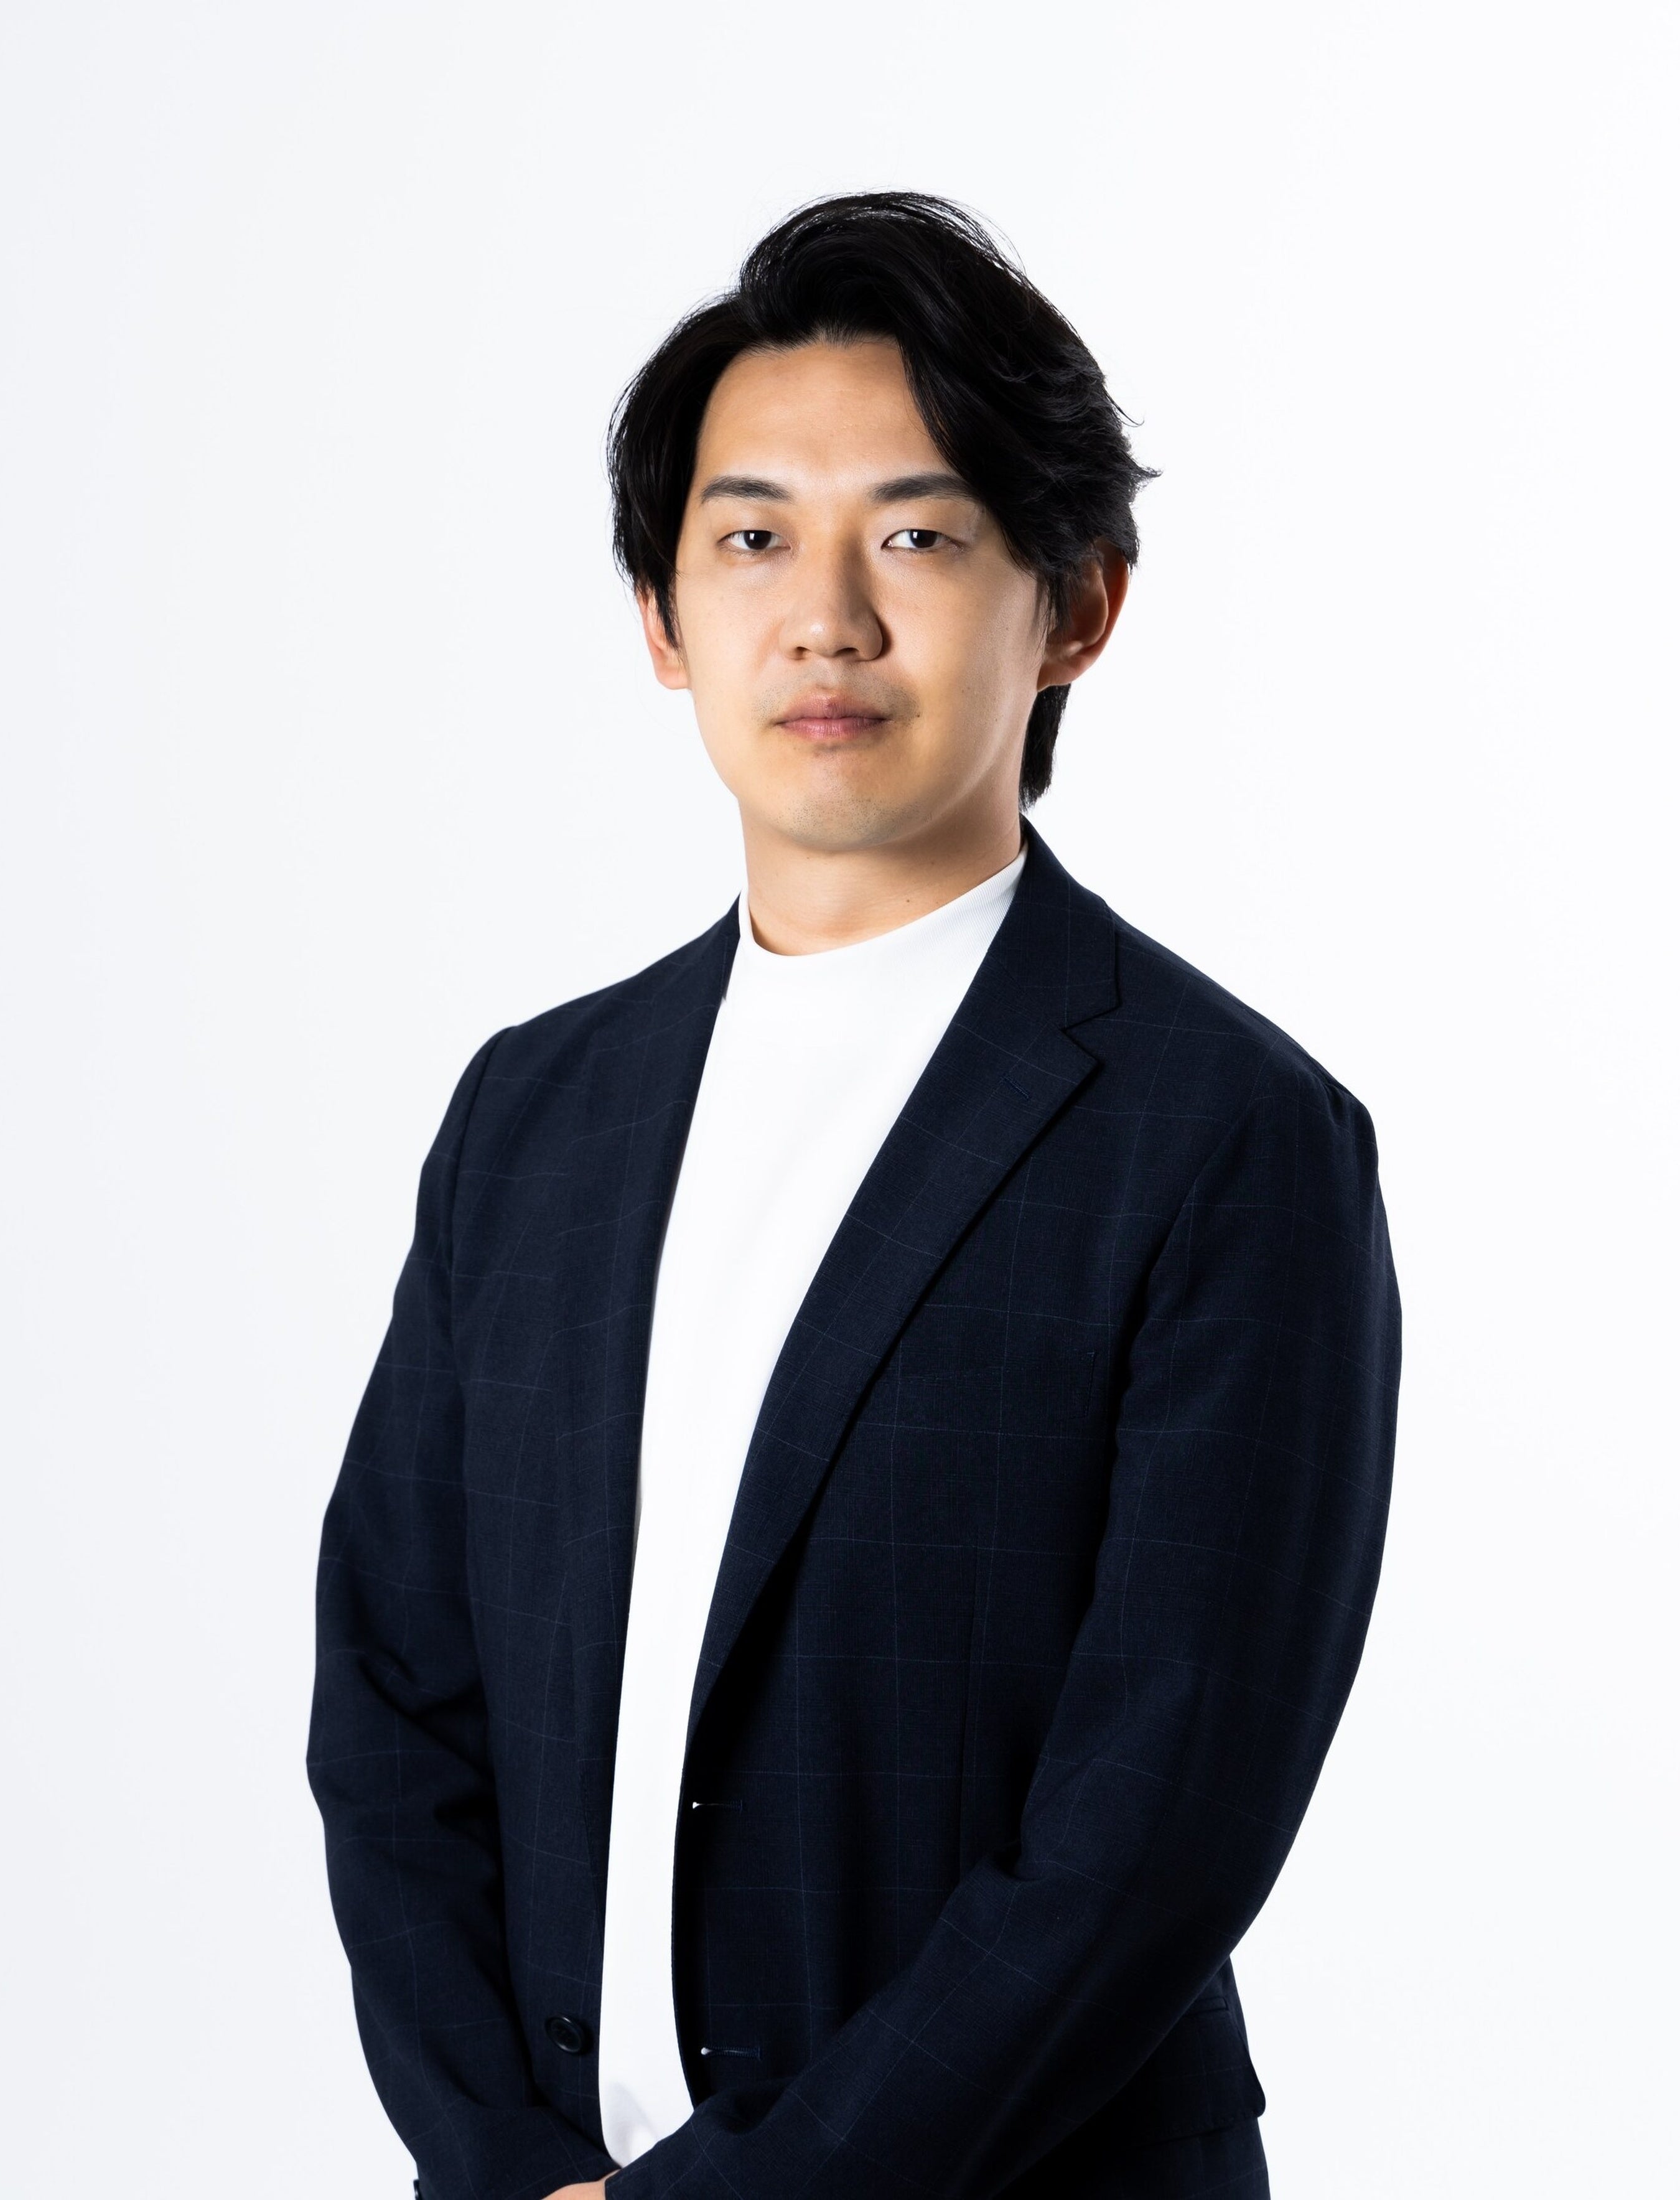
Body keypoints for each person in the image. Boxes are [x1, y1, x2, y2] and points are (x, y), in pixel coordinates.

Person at [307, 191, 1402, 2200]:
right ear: (662, 622)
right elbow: (395, 1706)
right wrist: (500, 2161)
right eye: (749, 540)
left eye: (915, 536)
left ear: (1076, 606)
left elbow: (1151, 1833)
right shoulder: (533, 1114)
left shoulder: (1227, 1141)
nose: (823, 617)